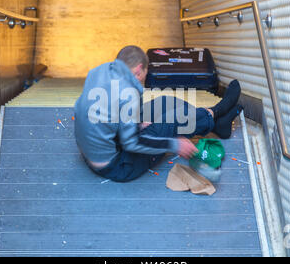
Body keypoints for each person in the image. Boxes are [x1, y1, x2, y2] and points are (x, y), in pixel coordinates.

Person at [74, 45, 242, 182]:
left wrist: (137, 124)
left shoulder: (98, 72)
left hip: (98, 148)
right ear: (139, 70)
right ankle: (217, 111)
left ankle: (217, 123)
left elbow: (103, 115)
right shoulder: (129, 93)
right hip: (117, 165)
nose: (143, 79)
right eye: (145, 74)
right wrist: (175, 145)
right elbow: (131, 144)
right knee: (169, 122)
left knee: (162, 103)